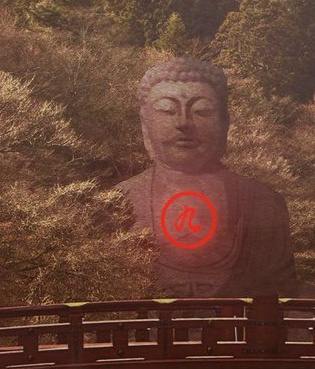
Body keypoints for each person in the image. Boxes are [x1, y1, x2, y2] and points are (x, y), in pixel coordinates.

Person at [114, 57, 305, 298]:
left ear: (225, 123)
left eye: (202, 111)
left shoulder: (263, 201)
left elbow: (279, 293)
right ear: (145, 124)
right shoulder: (118, 201)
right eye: (167, 111)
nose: (183, 123)